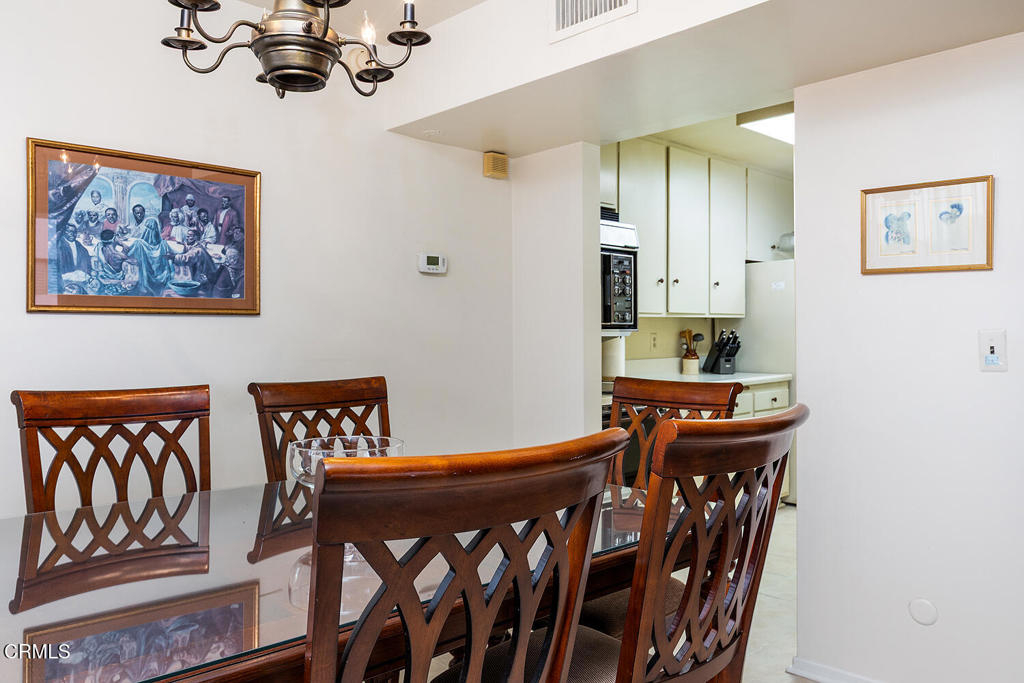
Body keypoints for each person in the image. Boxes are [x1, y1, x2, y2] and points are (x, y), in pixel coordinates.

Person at [128, 217, 174, 296]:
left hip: (146, 280)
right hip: (162, 279)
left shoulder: (139, 243)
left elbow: (128, 253)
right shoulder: (164, 244)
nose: (150, 233)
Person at [174, 228, 219, 296]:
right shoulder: (195, 245)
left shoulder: (198, 249)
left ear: (196, 238)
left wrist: (173, 257)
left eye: (190, 236)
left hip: (204, 277)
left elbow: (187, 257)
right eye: (187, 236)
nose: (187, 237)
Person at [49, 222, 92, 293]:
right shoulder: (58, 246)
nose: (72, 234)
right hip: (63, 281)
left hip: (80, 281)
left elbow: (87, 265)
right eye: (69, 231)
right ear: (64, 232)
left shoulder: (81, 248)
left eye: (74, 232)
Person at [94, 229, 139, 295]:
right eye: (117, 236)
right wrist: (122, 245)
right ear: (114, 238)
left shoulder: (99, 247)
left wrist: (121, 243)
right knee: (130, 264)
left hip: (106, 273)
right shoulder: (117, 255)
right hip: (116, 276)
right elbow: (134, 261)